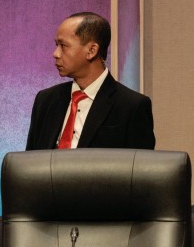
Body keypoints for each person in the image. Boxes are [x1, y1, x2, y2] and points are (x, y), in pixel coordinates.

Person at [26, 12, 155, 150]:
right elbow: (30, 163)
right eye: (56, 44)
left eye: (63, 45)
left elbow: (139, 168)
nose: (55, 54)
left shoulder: (132, 106)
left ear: (91, 51)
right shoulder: (45, 100)